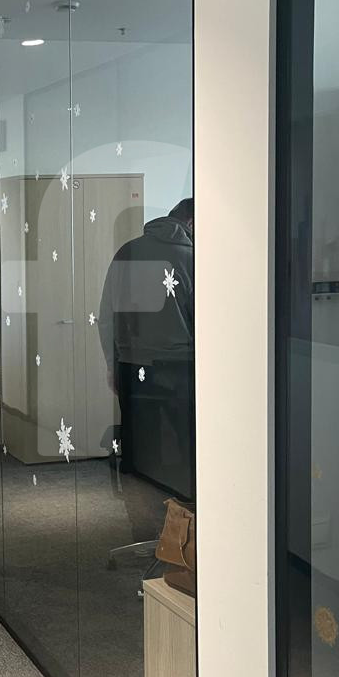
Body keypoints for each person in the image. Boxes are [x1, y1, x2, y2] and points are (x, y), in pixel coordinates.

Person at [98, 197, 194, 499]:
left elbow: (106, 317)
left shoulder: (126, 252)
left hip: (131, 365)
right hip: (181, 367)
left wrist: (112, 364)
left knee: (139, 445)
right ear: (191, 223)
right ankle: (182, 512)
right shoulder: (193, 259)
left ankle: (134, 510)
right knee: (186, 443)